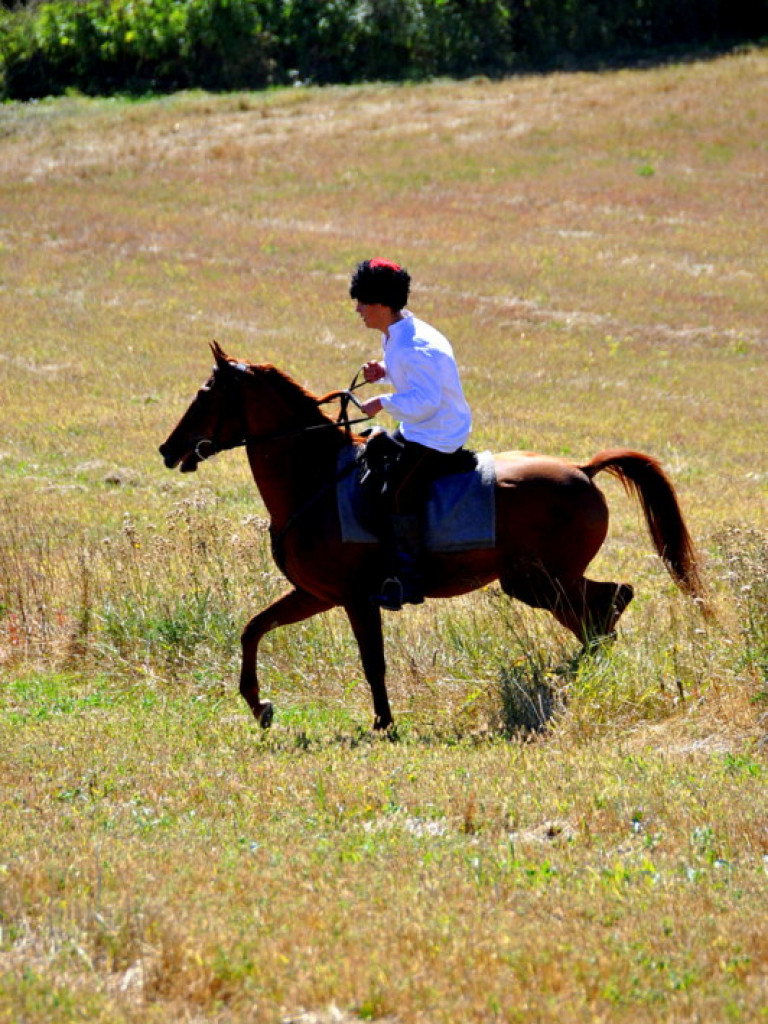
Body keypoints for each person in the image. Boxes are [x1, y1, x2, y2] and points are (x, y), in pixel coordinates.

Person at [350, 257, 472, 610]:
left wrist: (382, 401)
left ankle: (408, 580)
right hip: (421, 427)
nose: (358, 309)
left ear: (383, 305)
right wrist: (384, 371)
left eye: (363, 302)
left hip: (438, 435)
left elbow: (426, 402)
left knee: (397, 494)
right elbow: (411, 375)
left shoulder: (414, 345)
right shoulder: (401, 332)